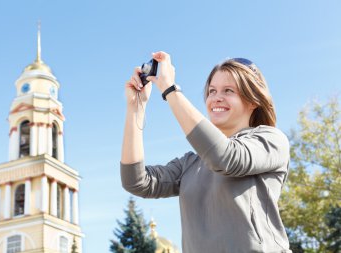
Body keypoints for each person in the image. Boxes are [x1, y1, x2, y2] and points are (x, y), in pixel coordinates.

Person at [120, 51, 292, 253]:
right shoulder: (190, 163)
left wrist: (170, 89)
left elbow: (226, 158)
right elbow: (136, 182)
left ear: (253, 101)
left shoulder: (271, 140)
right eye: (212, 91)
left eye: (228, 90)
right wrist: (135, 108)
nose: (216, 98)